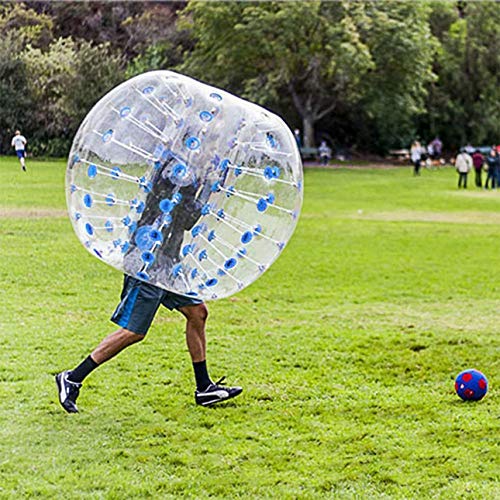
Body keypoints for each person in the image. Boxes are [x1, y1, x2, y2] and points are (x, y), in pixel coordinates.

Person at [56, 156, 243, 414]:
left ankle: (204, 388)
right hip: (148, 258)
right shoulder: (175, 167)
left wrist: (210, 179)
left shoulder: (191, 165)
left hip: (167, 260)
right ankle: (72, 378)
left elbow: (185, 220)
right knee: (134, 331)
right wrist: (212, 184)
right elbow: (185, 214)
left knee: (198, 312)